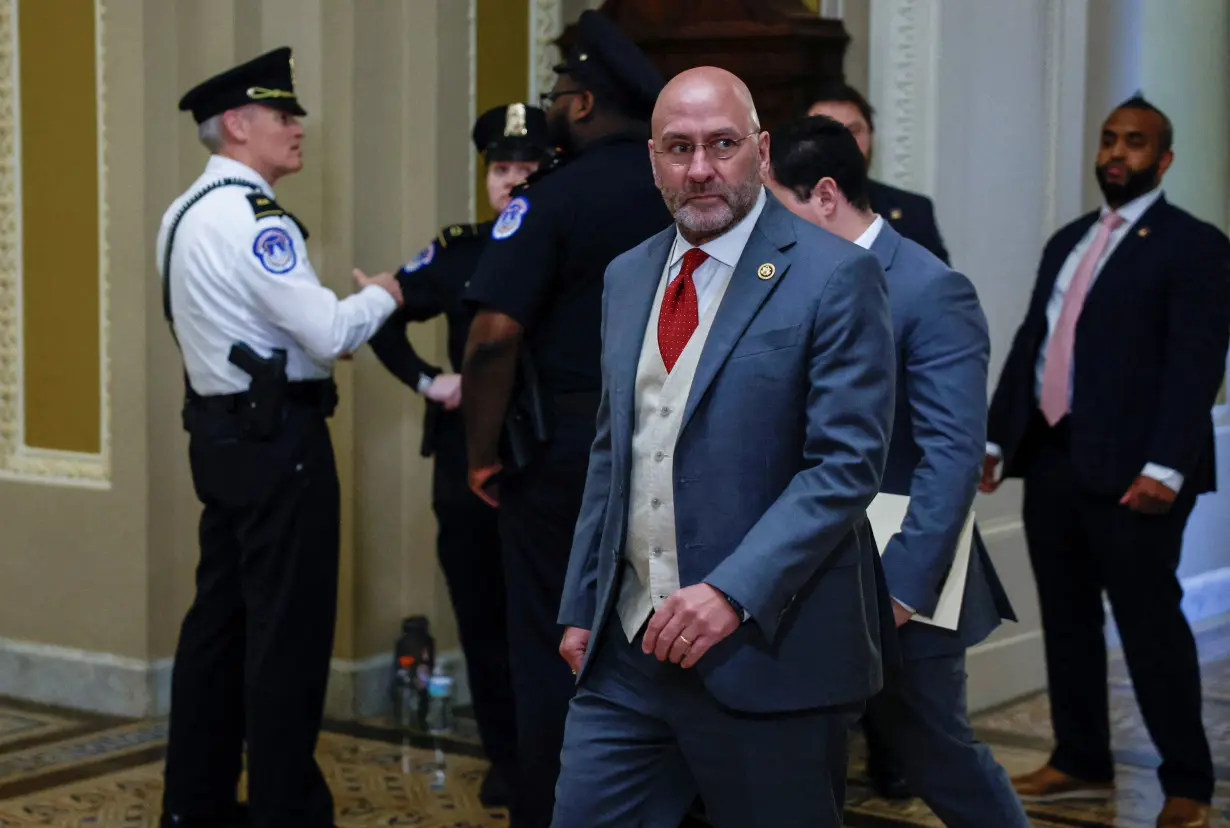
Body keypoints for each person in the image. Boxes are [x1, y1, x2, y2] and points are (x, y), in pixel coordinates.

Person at [551, 66, 898, 828]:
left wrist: (732, 592)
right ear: (652, 161)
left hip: (768, 654)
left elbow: (844, 468)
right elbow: (615, 453)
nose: (701, 168)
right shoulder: (626, 275)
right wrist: (583, 602)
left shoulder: (837, 275)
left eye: (722, 144)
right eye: (678, 148)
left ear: (762, 152)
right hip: (626, 652)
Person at [155, 47, 404, 828]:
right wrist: (387, 297)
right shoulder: (254, 216)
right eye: (283, 114)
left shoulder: (181, 213)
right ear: (237, 124)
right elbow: (327, 329)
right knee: (286, 640)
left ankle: (192, 806)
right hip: (280, 444)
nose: (299, 127)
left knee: (217, 631)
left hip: (218, 440)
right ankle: (286, 812)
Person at [765, 114, 1030, 828]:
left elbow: (951, 454)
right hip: (807, 560)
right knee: (797, 749)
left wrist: (906, 588)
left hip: (901, 569)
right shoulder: (786, 279)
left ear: (824, 195)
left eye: (775, 204)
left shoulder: (928, 289)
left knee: (934, 749)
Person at [982, 95, 1229, 828]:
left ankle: (1188, 779)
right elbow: (1034, 341)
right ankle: (1080, 758)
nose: (1118, 154)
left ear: (1165, 159)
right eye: (1110, 140)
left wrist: (1168, 467)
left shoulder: (1195, 244)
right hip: (1055, 458)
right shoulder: (1068, 241)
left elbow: (1196, 365)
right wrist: (997, 438)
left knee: (1151, 626)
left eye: (1136, 143)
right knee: (1067, 618)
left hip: (1138, 476)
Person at [459, 11, 672, 826]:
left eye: (555, 94)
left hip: (566, 457)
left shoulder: (549, 198)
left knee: (556, 645)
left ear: (581, 104)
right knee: (659, 638)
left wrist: (482, 454)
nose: (548, 107)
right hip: (676, 446)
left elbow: (491, 340)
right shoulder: (674, 192)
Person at [367, 101, 551, 808]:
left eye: (527, 167)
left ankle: (551, 761)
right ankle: (506, 759)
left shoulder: (562, 240)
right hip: (463, 463)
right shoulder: (461, 250)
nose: (510, 181)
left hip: (540, 457)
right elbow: (383, 313)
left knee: (543, 619)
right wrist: (428, 380)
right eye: (500, 168)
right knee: (481, 617)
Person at [808, 80, 950, 268]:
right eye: (827, 133)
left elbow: (943, 291)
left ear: (871, 135)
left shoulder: (914, 211)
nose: (843, 143)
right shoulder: (777, 211)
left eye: (853, 131)